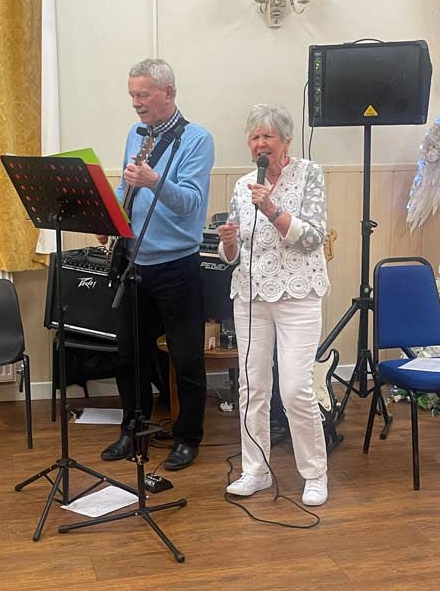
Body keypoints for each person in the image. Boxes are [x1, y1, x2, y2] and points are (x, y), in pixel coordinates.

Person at [96, 58, 214, 470]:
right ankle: (132, 430)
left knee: (186, 359)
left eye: (142, 95)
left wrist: (154, 181)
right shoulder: (136, 133)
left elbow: (192, 204)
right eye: (132, 95)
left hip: (177, 268)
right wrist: (109, 218)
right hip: (134, 264)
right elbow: (124, 185)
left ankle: (188, 438)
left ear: (168, 92)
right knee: (129, 357)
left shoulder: (197, 140)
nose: (136, 103)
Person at [218, 104, 329, 506]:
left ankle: (314, 473)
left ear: (286, 141)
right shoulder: (243, 184)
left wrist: (272, 209)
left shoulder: (309, 174)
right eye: (254, 137)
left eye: (268, 136)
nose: (260, 143)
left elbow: (314, 238)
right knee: (252, 387)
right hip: (251, 296)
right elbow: (231, 255)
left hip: (299, 294)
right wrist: (228, 243)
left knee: (296, 388)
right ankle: (256, 470)